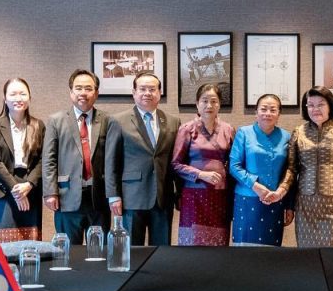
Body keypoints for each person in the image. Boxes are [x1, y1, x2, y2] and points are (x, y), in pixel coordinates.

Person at [277, 86, 333, 247]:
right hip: (306, 205)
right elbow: (292, 169)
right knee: (307, 254)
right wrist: (282, 191)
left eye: (321, 104)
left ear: (330, 106)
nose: (315, 109)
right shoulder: (299, 132)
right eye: (311, 105)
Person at [106, 70, 179, 246]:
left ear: (159, 93)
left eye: (152, 89)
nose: (147, 93)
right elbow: (111, 162)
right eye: (143, 89)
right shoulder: (118, 121)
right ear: (134, 92)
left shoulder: (173, 122)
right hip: (132, 197)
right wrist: (113, 195)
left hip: (163, 196)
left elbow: (175, 161)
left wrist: (180, 193)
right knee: (131, 250)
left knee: (162, 250)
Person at [43, 69, 112, 244]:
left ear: (96, 93)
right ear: (71, 92)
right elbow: (49, 160)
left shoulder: (107, 120)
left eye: (88, 88)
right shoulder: (56, 121)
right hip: (66, 196)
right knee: (68, 250)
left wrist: (114, 194)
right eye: (78, 88)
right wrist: (50, 192)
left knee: (99, 249)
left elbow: (113, 160)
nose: (83, 93)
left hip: (98, 196)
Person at [171, 83, 235, 245]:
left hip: (220, 195)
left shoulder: (228, 129)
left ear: (219, 104)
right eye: (205, 101)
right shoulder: (187, 129)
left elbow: (234, 163)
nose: (209, 105)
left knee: (218, 242)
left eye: (214, 101)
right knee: (193, 244)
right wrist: (200, 174)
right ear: (197, 104)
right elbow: (176, 164)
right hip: (193, 195)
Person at [229, 94, 294, 246]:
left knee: (270, 252)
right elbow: (234, 166)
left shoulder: (286, 136)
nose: (267, 113)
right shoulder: (244, 133)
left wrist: (289, 205)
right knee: (245, 249)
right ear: (256, 112)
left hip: (275, 200)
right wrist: (255, 185)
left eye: (273, 110)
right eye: (263, 109)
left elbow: (289, 171)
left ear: (279, 114)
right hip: (247, 199)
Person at [0, 77, 45, 237]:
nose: (18, 98)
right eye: (13, 94)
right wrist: (16, 190)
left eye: (22, 94)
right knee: (5, 245)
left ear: (29, 98)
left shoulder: (38, 125)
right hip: (3, 189)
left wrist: (29, 184)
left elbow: (43, 160)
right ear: (5, 99)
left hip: (30, 189)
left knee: (31, 244)